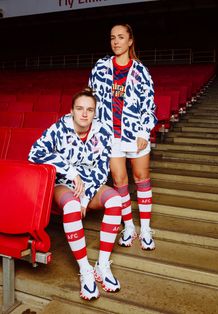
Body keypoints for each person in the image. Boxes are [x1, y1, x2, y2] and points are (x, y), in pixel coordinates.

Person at [28, 87, 122, 301]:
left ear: (95, 112)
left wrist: (86, 197)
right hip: (64, 183)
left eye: (90, 109)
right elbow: (34, 153)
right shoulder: (59, 128)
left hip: (91, 185)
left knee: (116, 200)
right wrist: (70, 171)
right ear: (71, 110)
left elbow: (101, 170)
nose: (84, 114)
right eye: (79, 108)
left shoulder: (103, 131)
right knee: (71, 205)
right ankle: (85, 269)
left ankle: (103, 265)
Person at [88, 24, 157, 250]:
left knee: (141, 179)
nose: (116, 42)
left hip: (135, 135)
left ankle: (145, 228)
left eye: (120, 37)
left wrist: (144, 132)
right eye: (112, 38)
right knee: (119, 182)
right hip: (111, 137)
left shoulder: (141, 71)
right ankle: (129, 226)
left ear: (130, 41)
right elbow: (91, 97)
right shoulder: (100, 68)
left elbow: (149, 106)